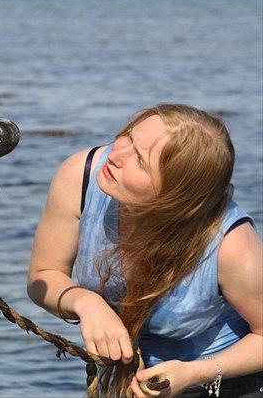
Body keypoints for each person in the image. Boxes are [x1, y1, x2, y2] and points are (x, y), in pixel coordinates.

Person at [26, 104, 262, 397]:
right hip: (128, 384)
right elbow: (44, 275)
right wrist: (86, 303)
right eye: (127, 137)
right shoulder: (81, 175)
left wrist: (194, 372)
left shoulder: (232, 245)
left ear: (173, 197)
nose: (115, 154)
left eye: (139, 160)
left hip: (224, 383)